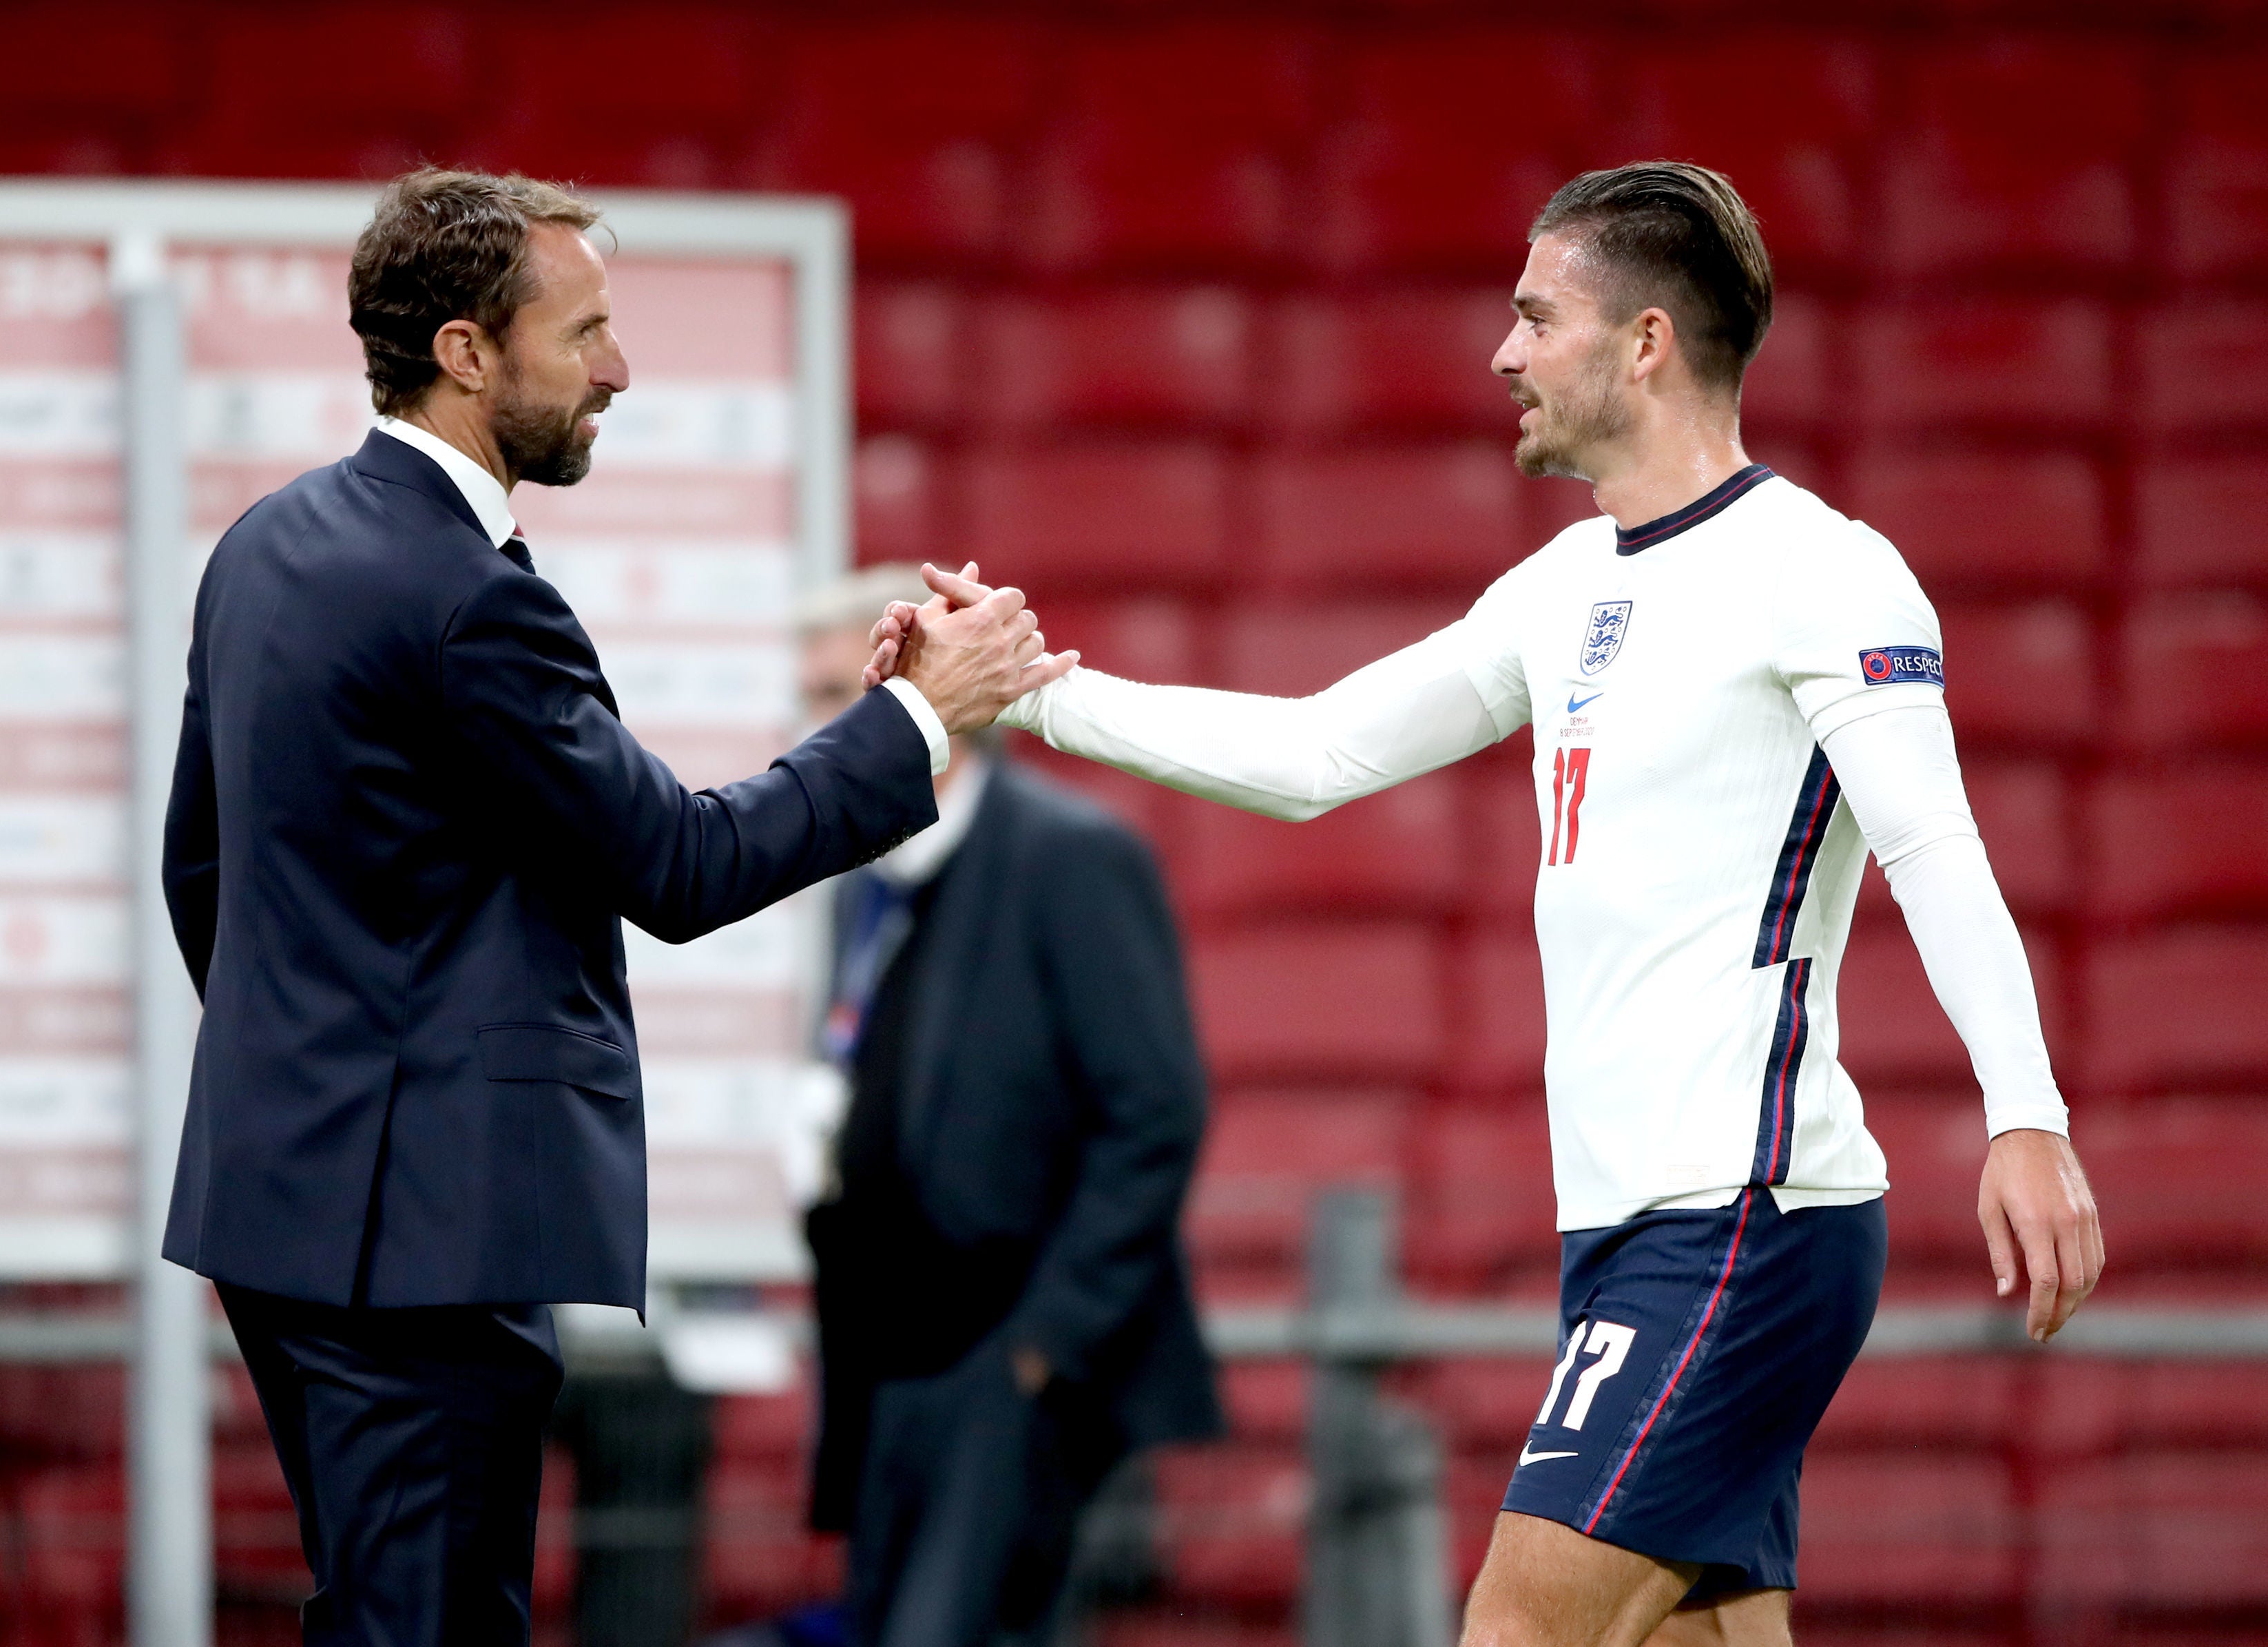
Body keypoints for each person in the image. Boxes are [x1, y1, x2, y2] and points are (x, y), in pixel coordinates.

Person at [868, 163, 2105, 1647]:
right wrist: (1035, 694)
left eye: (1534, 316)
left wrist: (2024, 1112)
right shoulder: (1562, 586)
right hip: (1635, 1223)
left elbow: (1935, 845)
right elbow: (1316, 753)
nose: (1502, 354)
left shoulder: (1825, 573)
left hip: (1741, 1217)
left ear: (1641, 343)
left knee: (1512, 1629)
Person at [158, 168, 1065, 1646]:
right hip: (432, 1238)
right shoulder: (468, 595)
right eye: (580, 332)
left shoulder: (267, 543)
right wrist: (910, 718)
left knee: (381, 1612)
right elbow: (684, 867)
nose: (615, 369)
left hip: (290, 1209)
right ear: (464, 351)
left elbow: (199, 875)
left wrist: (323, 1086)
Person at [787, 568, 1221, 1647]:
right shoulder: (864, 878)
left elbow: (1155, 1113)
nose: (814, 725)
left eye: (845, 689)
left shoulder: (1073, 857)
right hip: (887, 1360)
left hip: (1008, 1367)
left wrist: (1039, 1347)